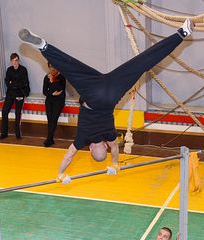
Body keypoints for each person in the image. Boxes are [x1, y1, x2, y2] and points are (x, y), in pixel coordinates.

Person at [19, 20, 193, 182]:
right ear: (91, 148)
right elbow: (68, 156)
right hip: (91, 92)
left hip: (111, 93)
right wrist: (60, 173)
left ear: (104, 145)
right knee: (69, 66)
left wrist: (115, 164)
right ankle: (43, 46)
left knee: (142, 63)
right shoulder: (82, 139)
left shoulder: (110, 135)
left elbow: (115, 149)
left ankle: (182, 33)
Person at [0, 53, 30, 140]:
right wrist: (14, 84)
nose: (15, 62)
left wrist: (13, 83)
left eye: (16, 60)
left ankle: (18, 134)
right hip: (10, 93)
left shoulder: (23, 70)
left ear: (18, 60)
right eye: (13, 61)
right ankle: (4, 134)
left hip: (20, 93)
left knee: (17, 113)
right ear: (11, 62)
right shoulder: (9, 70)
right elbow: (7, 82)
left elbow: (24, 83)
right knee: (4, 112)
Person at [42, 63, 66, 147]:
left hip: (59, 101)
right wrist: (52, 94)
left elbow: (60, 89)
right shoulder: (46, 77)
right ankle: (50, 139)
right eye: (51, 67)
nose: (53, 69)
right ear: (48, 67)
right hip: (49, 100)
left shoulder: (62, 77)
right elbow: (44, 91)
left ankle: (48, 139)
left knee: (54, 119)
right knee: (50, 120)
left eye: (54, 66)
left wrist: (52, 81)